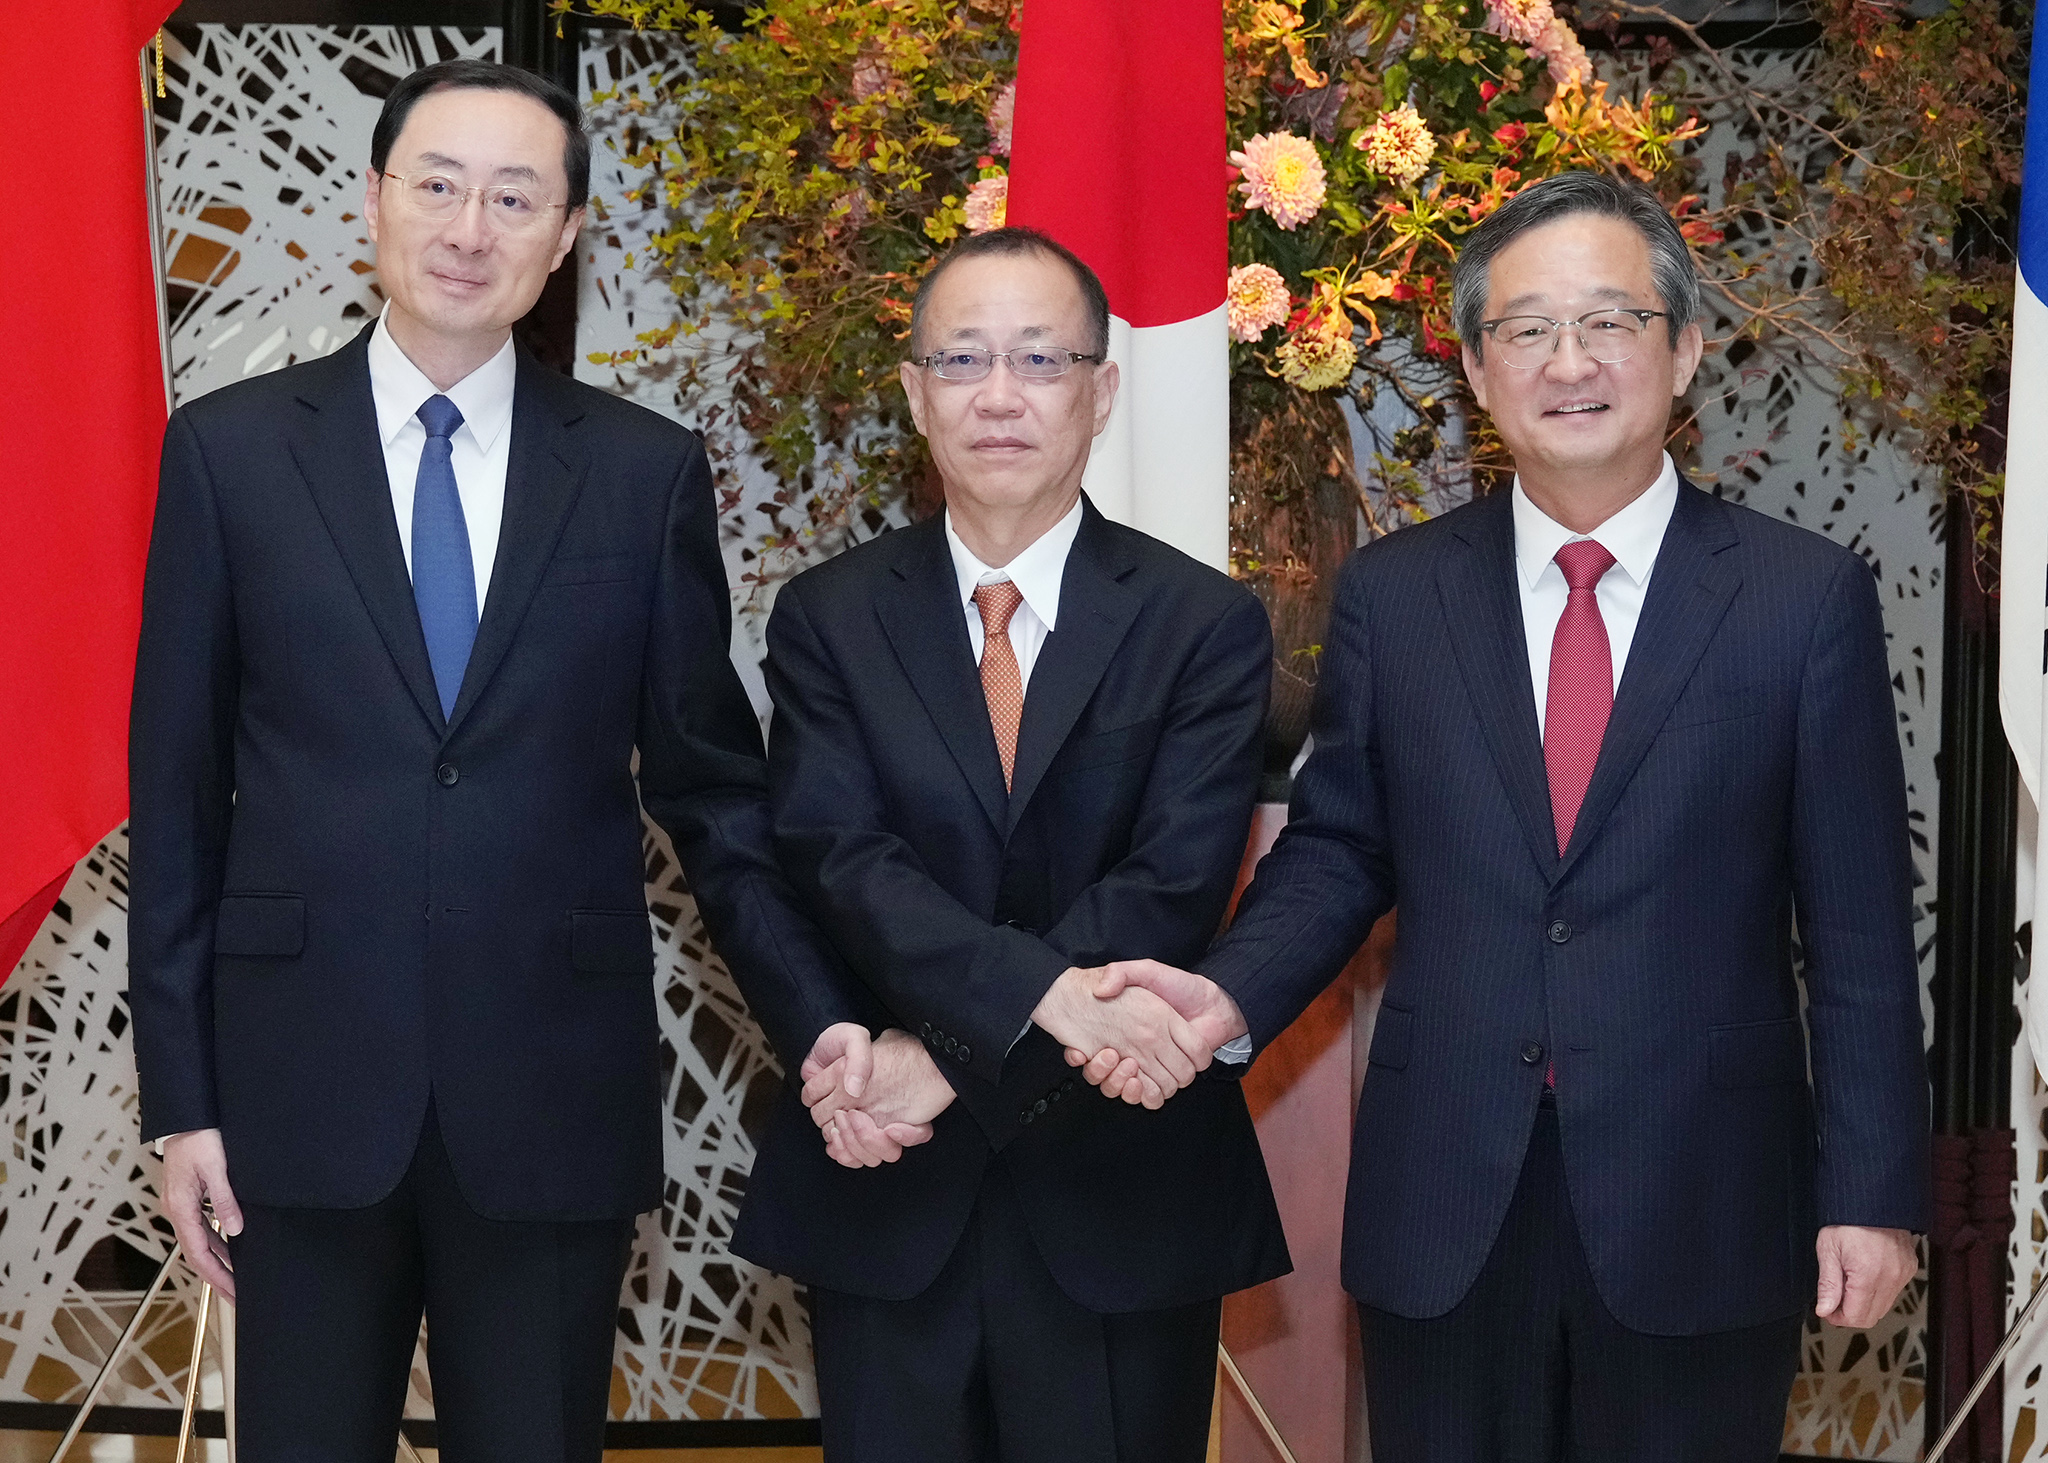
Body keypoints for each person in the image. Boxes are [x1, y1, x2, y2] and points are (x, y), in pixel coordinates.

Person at [1075, 171, 1930, 1460]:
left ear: (1684, 347)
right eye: (1525, 329)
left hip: (1701, 1199)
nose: (1567, 361)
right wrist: (1226, 995)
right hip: (1448, 1195)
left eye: (1609, 322)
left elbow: (1860, 929)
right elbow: (1341, 847)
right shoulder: (1396, 594)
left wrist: (1871, 1193)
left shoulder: (1801, 602)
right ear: (1476, 369)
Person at [128, 58, 867, 1463]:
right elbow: (175, 798)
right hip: (296, 1093)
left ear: (567, 233)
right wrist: (185, 1101)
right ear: (374, 202)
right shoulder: (228, 456)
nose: (472, 227)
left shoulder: (645, 471)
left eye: (516, 197)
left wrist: (822, 1017)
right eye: (441, 185)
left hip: (549, 1092)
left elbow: (711, 791)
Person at [728, 226, 1289, 1462]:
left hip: (1115, 1180)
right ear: (915, 390)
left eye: (1040, 359)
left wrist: (943, 1054)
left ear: (1101, 392)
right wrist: (1021, 1005)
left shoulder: (1202, 621)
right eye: (963, 357)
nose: (998, 393)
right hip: (889, 1182)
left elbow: (1173, 881)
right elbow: (837, 856)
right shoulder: (827, 617)